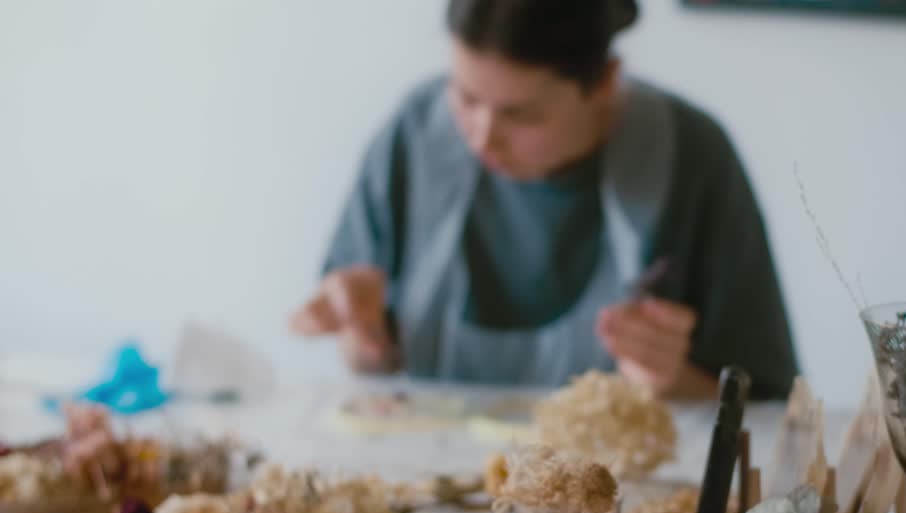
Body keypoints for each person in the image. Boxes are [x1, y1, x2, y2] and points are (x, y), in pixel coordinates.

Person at [290, 0, 798, 400]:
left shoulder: (689, 156)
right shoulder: (415, 133)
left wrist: (671, 380)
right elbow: (374, 370)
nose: (481, 137)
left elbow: (766, 406)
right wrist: (364, 335)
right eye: (465, 98)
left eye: (521, 115)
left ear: (603, 82)